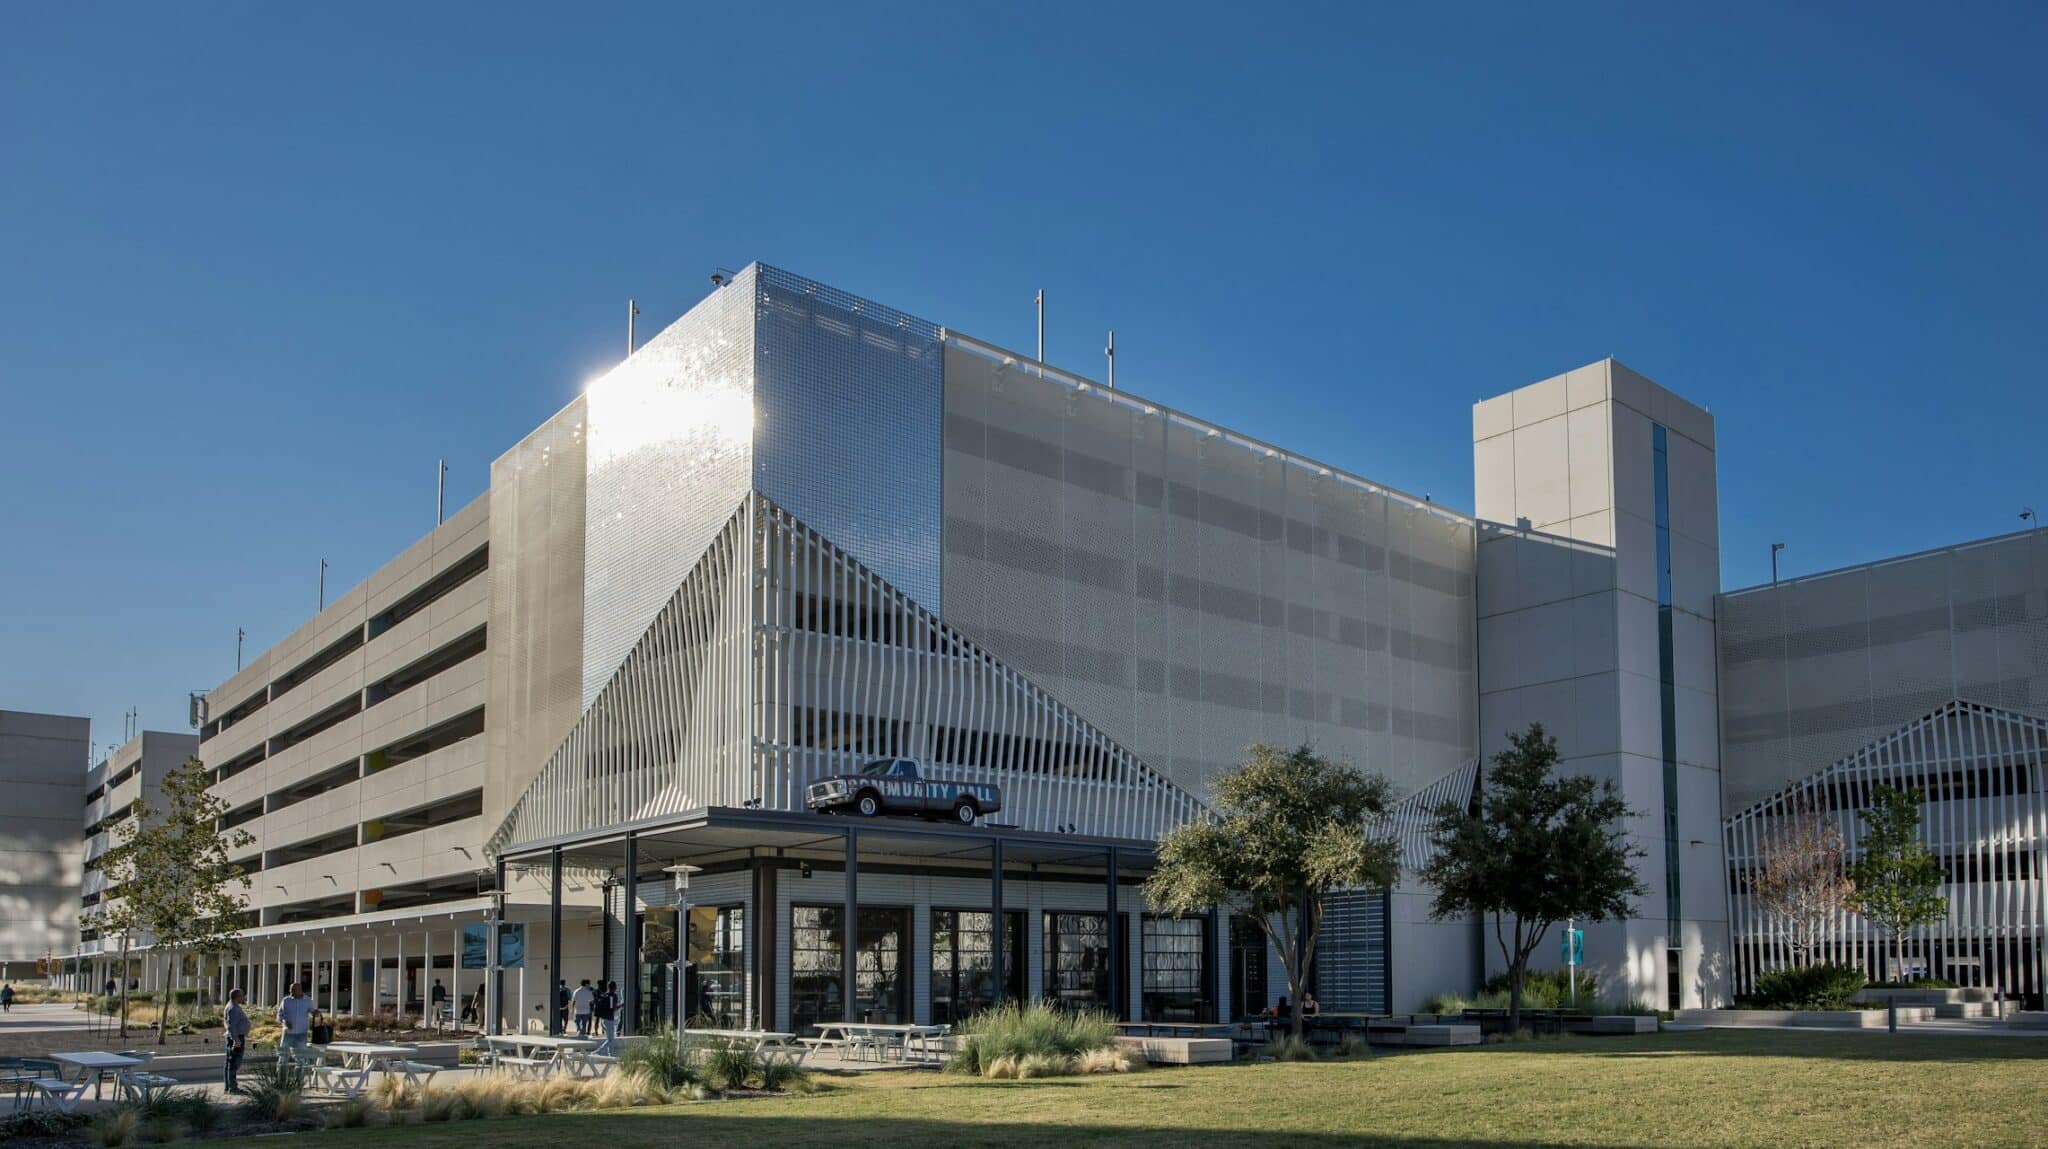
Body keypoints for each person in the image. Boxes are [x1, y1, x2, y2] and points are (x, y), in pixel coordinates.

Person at [224, 988, 251, 1092]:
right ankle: (232, 1087)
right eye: (242, 995)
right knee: (234, 1062)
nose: (243, 997)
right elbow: (232, 1026)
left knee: (230, 1062)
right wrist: (236, 1040)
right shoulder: (233, 1008)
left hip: (235, 1037)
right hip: (236, 1038)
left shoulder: (231, 1006)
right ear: (237, 997)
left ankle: (229, 1086)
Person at [277, 982, 317, 1051]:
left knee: (301, 1055)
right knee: (283, 1054)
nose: (291, 992)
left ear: (300, 990)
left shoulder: (307, 1001)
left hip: (302, 1032)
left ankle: (301, 1062)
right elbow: (279, 1015)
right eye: (290, 990)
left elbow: (313, 1012)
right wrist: (284, 1022)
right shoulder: (286, 1000)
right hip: (288, 1032)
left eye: (293, 990)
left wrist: (316, 1013)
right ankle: (282, 1062)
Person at [593, 980, 620, 1054]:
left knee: (610, 1038)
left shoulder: (604, 995)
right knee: (611, 1039)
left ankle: (611, 1054)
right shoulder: (613, 996)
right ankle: (599, 1052)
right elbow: (613, 1008)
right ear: (615, 987)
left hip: (603, 1019)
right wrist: (621, 1005)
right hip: (609, 1019)